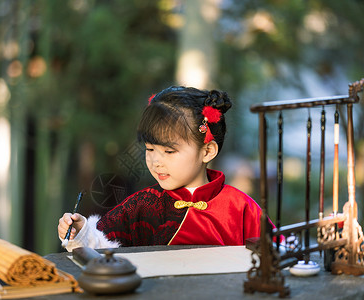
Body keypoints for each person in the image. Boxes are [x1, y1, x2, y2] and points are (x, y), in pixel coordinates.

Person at [58, 86, 264, 251]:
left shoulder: (240, 207)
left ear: (207, 151)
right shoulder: (143, 205)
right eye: (149, 149)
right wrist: (80, 232)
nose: (155, 161)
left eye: (169, 151)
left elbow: (274, 254)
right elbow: (101, 247)